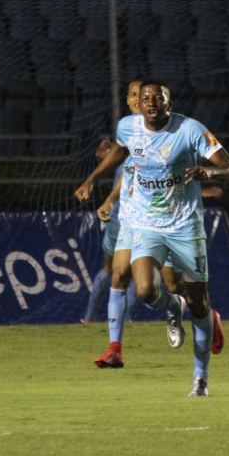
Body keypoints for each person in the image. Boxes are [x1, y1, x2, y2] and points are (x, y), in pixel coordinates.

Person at [74, 78, 226, 369]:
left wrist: (205, 185)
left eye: (144, 96)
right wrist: (104, 195)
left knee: (174, 283)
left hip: (167, 219)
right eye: (135, 96)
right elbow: (126, 171)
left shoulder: (166, 131)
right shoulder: (129, 130)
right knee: (118, 274)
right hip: (132, 219)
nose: (138, 100)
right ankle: (115, 348)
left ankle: (198, 312)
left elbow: (168, 176)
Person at [112, 79, 229, 396]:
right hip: (147, 224)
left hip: (185, 227)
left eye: (159, 98)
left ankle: (201, 376)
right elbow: (120, 151)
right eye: (146, 98)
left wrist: (211, 172)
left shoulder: (191, 130)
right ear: (138, 103)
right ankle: (173, 305)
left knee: (200, 304)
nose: (152, 102)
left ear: (169, 103)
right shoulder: (127, 128)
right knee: (143, 290)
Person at [80, 134, 137, 326]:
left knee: (109, 268)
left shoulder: (123, 159)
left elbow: (103, 156)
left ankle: (88, 318)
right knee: (136, 271)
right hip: (133, 221)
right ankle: (124, 318)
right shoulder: (140, 158)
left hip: (115, 219)